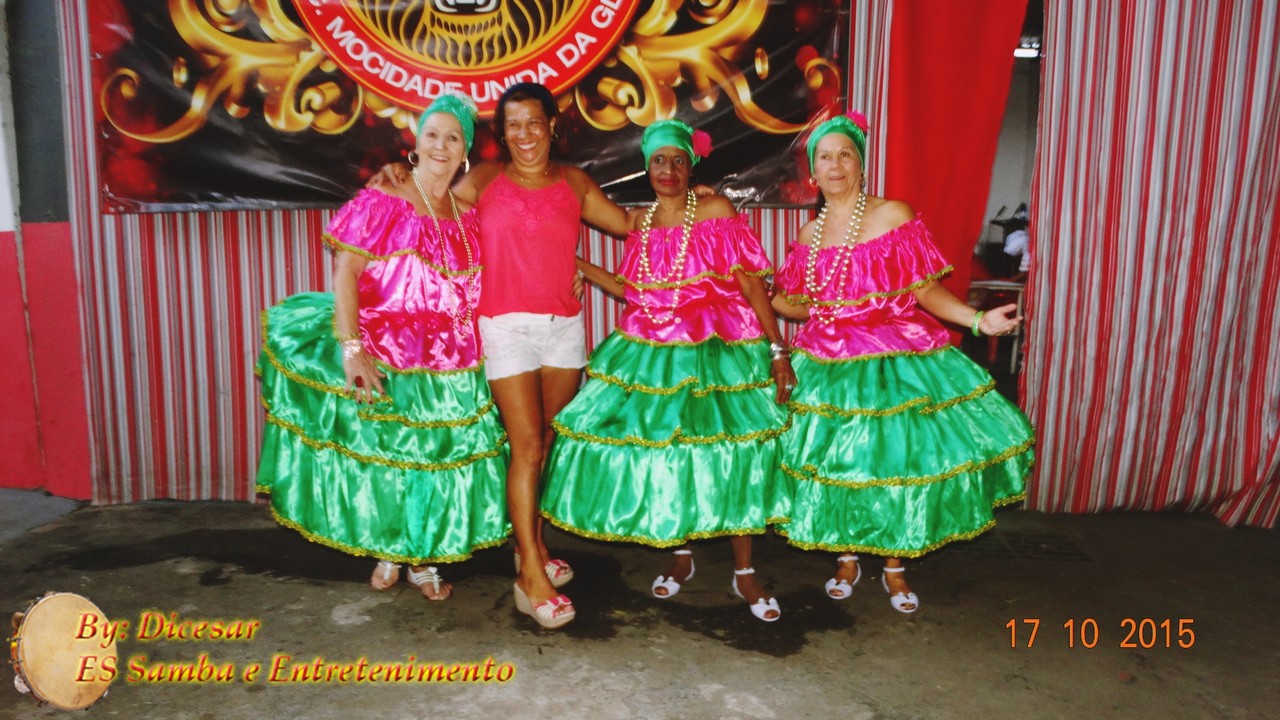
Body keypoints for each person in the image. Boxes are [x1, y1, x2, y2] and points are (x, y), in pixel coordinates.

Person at [374, 83, 631, 628]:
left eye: (534, 122)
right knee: (527, 446)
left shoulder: (575, 182)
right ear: (502, 133)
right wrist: (398, 173)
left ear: (552, 126)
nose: (524, 134)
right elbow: (430, 197)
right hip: (503, 327)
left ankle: (529, 547)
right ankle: (530, 578)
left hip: (564, 331)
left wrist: (693, 206)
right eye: (513, 124)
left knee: (545, 446)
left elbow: (632, 227)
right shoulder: (485, 179)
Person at [771, 112, 1034, 613]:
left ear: (861, 165)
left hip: (893, 357)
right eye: (824, 157)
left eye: (845, 155)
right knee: (839, 464)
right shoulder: (808, 236)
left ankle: (894, 565)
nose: (835, 165)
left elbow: (925, 289)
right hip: (827, 363)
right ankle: (846, 558)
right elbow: (797, 303)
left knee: (895, 462)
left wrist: (979, 321)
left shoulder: (892, 214)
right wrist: (770, 299)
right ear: (813, 171)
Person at [256, 93, 510, 601]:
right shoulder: (384, 199)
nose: (441, 146)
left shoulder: (470, 214)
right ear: (416, 142)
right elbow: (346, 272)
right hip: (386, 348)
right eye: (432, 134)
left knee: (433, 461)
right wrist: (352, 348)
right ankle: (390, 550)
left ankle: (423, 560)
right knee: (388, 459)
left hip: (453, 362)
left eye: (453, 138)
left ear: (465, 152)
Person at [542, 120, 796, 622]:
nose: (668, 169)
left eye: (678, 160)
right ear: (647, 168)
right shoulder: (641, 223)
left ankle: (744, 570)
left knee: (733, 453)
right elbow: (635, 292)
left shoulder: (716, 210)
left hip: (717, 350)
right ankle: (681, 555)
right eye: (659, 160)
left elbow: (751, 285)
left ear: (690, 167)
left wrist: (777, 349)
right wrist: (580, 267)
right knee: (671, 453)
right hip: (655, 353)